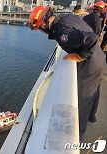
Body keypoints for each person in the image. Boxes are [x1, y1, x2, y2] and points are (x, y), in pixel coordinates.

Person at [30, 5, 106, 140]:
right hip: (99, 60)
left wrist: (81, 56)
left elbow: (92, 38)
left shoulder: (61, 32)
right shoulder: (67, 18)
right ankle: (92, 115)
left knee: (82, 104)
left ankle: (77, 139)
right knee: (95, 91)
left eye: (39, 28)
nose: (41, 32)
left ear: (44, 24)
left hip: (90, 67)